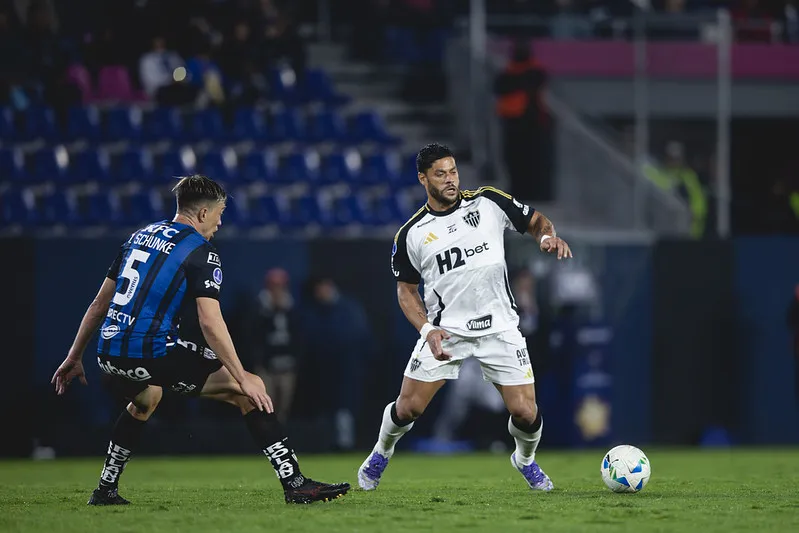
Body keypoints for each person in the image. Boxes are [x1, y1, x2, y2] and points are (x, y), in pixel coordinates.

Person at [51, 175, 349, 506]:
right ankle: (296, 485)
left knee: (146, 399)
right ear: (204, 214)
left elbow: (98, 304)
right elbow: (210, 321)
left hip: (108, 353)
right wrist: (242, 376)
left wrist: (74, 355)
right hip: (150, 351)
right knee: (249, 393)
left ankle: (105, 489)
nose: (220, 223)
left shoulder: (139, 236)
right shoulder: (200, 251)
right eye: (220, 214)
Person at [357, 143, 572, 492]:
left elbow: (535, 220)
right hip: (447, 331)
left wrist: (546, 235)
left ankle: (525, 460)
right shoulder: (412, 234)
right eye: (440, 174)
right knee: (409, 408)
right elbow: (406, 291)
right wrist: (427, 330)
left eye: (453, 171)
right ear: (423, 179)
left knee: (527, 413)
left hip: (500, 327)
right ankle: (381, 452)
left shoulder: (487, 201)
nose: (450, 179)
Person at [253, 267, 301, 423]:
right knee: (266, 405)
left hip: (287, 366)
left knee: (284, 408)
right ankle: (268, 439)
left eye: (280, 286)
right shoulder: (258, 308)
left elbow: (299, 336)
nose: (277, 290)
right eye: (274, 286)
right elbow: (252, 335)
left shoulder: (292, 308)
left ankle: (282, 439)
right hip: (267, 367)